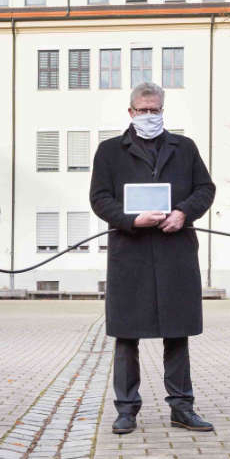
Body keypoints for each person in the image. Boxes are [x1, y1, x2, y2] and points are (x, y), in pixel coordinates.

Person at [89, 82, 216, 435]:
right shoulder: (110, 151)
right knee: (126, 335)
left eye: (155, 110)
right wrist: (131, 220)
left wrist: (183, 214)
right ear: (130, 112)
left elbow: (205, 189)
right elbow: (99, 198)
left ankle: (181, 406)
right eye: (142, 110)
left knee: (177, 333)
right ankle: (126, 408)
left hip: (175, 251)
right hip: (130, 253)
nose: (149, 116)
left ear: (163, 111)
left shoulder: (184, 148)